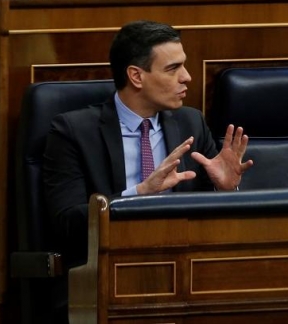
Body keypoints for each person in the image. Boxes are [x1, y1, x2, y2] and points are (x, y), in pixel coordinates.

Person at [42, 20, 254, 269]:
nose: (187, 77)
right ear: (136, 76)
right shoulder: (73, 131)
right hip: (108, 268)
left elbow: (213, 222)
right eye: (173, 68)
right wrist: (140, 194)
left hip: (184, 263)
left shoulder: (191, 123)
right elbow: (67, 222)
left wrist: (225, 192)